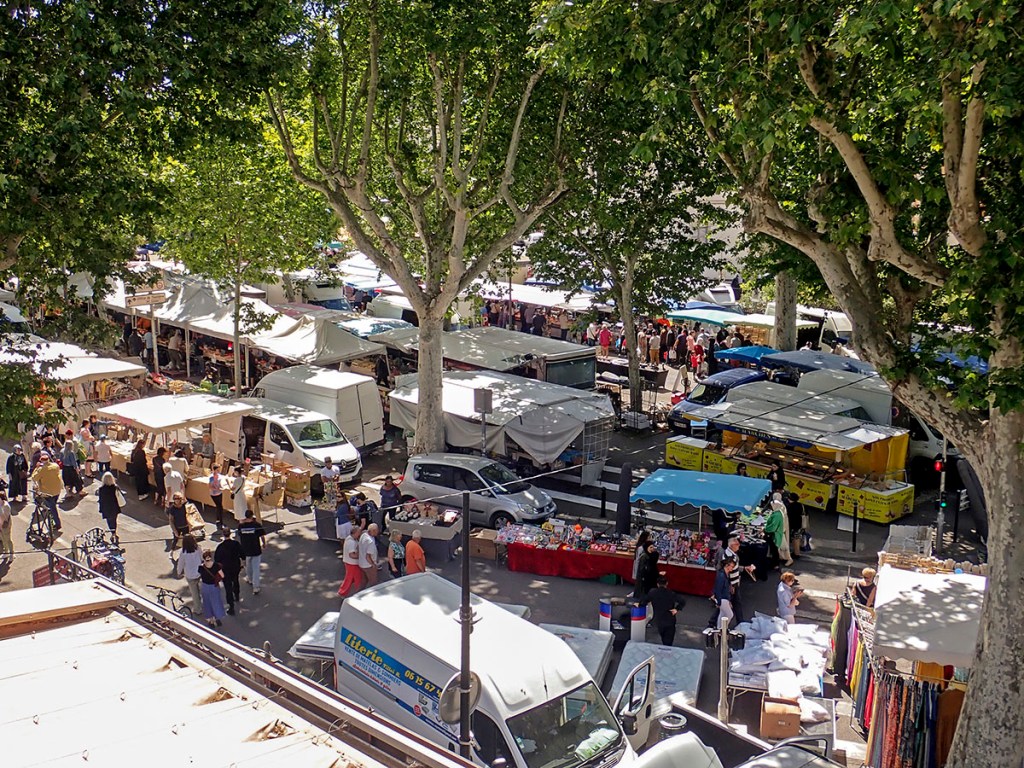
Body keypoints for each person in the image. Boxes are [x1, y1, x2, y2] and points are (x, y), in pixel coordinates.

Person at [717, 537, 754, 623]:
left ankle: (740, 621)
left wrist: (744, 568)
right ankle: (739, 621)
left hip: (733, 583)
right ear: (732, 545)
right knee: (730, 603)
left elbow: (734, 568)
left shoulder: (730, 554)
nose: (739, 545)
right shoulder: (730, 556)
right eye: (737, 544)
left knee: (734, 602)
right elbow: (728, 572)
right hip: (732, 584)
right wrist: (731, 585)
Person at [646, 576, 685, 646]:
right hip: (669, 620)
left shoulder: (653, 592)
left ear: (657, 584)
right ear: (667, 583)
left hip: (659, 620)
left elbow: (644, 600)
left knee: (663, 637)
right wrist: (676, 609)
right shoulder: (671, 593)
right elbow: (682, 601)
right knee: (668, 642)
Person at [214, 526, 244, 614]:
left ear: (223, 535)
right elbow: (242, 554)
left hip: (225, 569)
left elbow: (217, 560)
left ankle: (231, 606)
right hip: (235, 567)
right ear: (230, 534)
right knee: (236, 580)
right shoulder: (236, 544)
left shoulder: (220, 547)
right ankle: (237, 595)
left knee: (228, 587)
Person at [237, 508, 266, 595]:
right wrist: (264, 544)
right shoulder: (256, 525)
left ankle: (249, 579)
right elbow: (262, 536)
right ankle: (256, 587)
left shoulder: (241, 526)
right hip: (256, 550)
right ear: (252, 516)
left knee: (248, 566)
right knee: (256, 569)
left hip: (245, 550)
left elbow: (239, 535)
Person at [30, 454, 63, 531]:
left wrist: (36, 468)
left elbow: (34, 478)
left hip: (47, 492)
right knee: (52, 506)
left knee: (52, 509)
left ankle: (57, 524)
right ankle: (52, 521)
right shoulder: (55, 466)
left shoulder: (41, 469)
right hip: (57, 490)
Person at [176, 534, 204, 614]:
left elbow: (180, 564)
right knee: (200, 589)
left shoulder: (183, 552)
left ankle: (197, 609)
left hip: (190, 575)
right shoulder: (198, 548)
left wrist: (179, 572)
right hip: (199, 572)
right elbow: (202, 558)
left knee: (194, 593)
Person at [198, 549, 226, 627]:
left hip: (205, 587)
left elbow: (199, 575)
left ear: (203, 558)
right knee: (216, 602)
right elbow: (222, 575)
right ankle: (218, 618)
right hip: (214, 586)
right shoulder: (216, 566)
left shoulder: (201, 567)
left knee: (207, 603)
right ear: (211, 557)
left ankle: (211, 620)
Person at [96, 472, 124, 541]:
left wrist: (101, 508)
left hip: (106, 508)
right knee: (114, 520)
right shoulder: (115, 488)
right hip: (114, 507)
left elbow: (101, 499)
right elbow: (119, 497)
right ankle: (114, 533)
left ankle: (112, 532)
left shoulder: (101, 489)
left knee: (109, 521)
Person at [339, 526, 365, 597]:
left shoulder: (349, 538)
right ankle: (343, 592)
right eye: (359, 532)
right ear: (355, 533)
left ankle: (357, 591)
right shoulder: (351, 542)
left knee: (354, 578)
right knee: (352, 578)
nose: (360, 534)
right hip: (352, 563)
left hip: (350, 563)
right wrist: (361, 556)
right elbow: (352, 555)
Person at [710, 559, 737, 628]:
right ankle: (722, 628)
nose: (732, 568)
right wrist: (719, 601)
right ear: (727, 565)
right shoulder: (722, 575)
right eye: (732, 566)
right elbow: (718, 589)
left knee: (722, 614)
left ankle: (719, 628)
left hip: (724, 598)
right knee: (729, 614)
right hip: (722, 598)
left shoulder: (724, 575)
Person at [59, 431, 85, 498]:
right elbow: (74, 462)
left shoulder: (62, 451)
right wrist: (77, 469)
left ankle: (68, 493)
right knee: (77, 480)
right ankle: (80, 491)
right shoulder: (71, 452)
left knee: (66, 480)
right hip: (71, 468)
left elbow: (60, 460)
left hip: (65, 468)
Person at [166, 492, 192, 558]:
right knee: (176, 539)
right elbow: (171, 520)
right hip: (177, 526)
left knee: (187, 540)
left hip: (185, 526)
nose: (177, 500)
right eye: (175, 499)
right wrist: (174, 531)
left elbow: (191, 514)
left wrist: (190, 525)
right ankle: (171, 552)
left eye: (179, 498)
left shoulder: (185, 505)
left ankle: (186, 553)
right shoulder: (172, 508)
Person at [359, 522, 380, 587]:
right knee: (373, 583)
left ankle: (360, 592)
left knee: (364, 581)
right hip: (368, 566)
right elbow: (368, 556)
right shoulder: (370, 542)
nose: (378, 531)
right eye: (377, 530)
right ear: (373, 531)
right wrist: (373, 565)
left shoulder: (364, 535)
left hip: (361, 563)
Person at [786, 492, 805, 560]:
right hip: (800, 524)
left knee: (795, 539)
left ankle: (796, 553)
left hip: (793, 525)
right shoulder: (800, 505)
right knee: (797, 538)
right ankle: (796, 552)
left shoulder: (789, 506)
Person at [208, 465, 226, 530]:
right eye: (217, 470)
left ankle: (218, 519)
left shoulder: (219, 476)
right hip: (214, 494)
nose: (218, 471)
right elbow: (210, 486)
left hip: (219, 493)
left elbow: (220, 483)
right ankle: (221, 522)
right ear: (214, 470)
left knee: (219, 507)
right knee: (220, 507)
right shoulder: (211, 477)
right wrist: (216, 489)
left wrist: (221, 487)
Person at [0, 490, 13, 564]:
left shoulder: (6, 506)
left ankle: (11, 553)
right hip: (0, 525)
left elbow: (6, 518)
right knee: (3, 539)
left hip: (5, 525)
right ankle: (6, 552)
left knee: (8, 540)